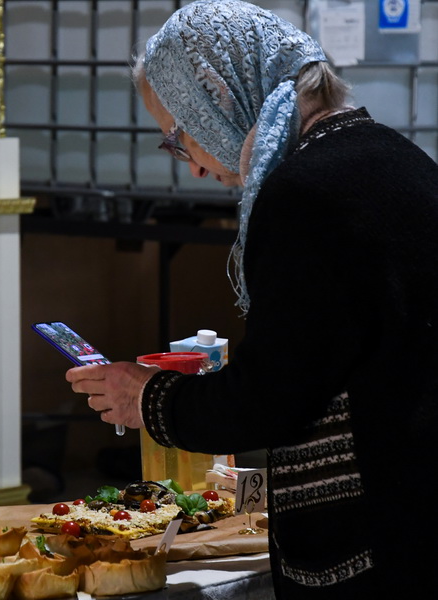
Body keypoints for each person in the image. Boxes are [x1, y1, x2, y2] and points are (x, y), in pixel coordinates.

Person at [65, 1, 438, 598]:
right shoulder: (402, 160)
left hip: (375, 545)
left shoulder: (305, 194)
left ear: (218, 100)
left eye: (178, 136)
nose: (191, 166)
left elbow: (272, 399)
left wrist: (149, 398)